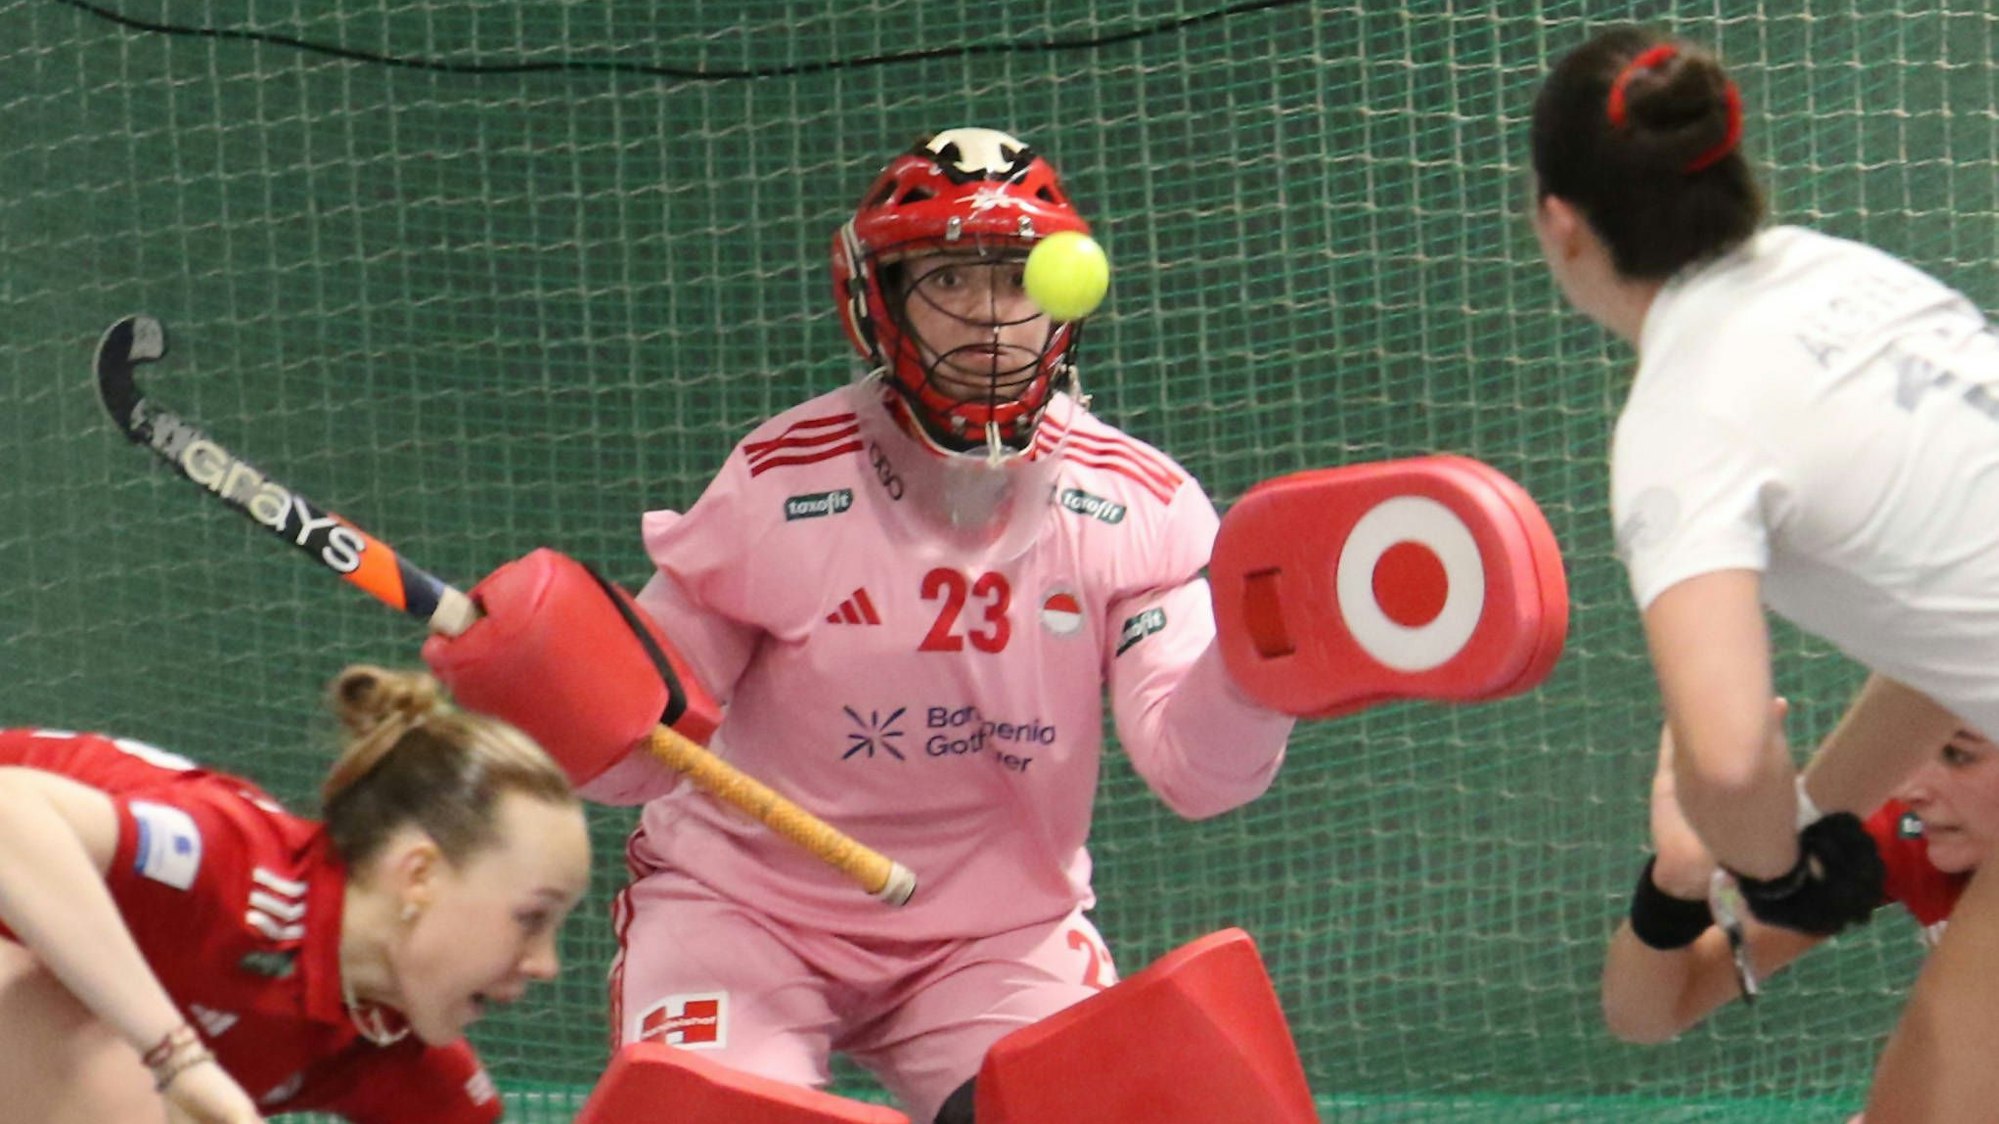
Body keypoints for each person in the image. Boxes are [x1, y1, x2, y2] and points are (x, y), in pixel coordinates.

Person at [431, 127, 1298, 1124]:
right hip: (741, 911)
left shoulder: (1135, 503)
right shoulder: (778, 482)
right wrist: (569, 689)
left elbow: (1196, 772)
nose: (988, 316)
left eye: (1015, 280)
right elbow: (646, 760)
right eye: (948, 279)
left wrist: (1266, 668)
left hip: (995, 937)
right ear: (877, 298)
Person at [1529, 26, 1999, 1120]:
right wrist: (1804, 827)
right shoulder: (1851, 277)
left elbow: (1727, 751)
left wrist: (1778, 864)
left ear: (1560, 222)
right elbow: (1945, 656)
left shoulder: (1681, 416)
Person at [0, 665, 591, 1124]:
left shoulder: (392, 1042)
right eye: (531, 917)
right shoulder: (229, 865)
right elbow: (9, 813)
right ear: (420, 877)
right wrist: (179, 1060)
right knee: (116, 1086)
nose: (546, 964)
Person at [1603, 718, 1998, 1046]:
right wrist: (1675, 890)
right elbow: (1649, 1016)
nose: (1907, 789)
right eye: (1912, 751)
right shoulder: (1904, 834)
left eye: (1958, 755)